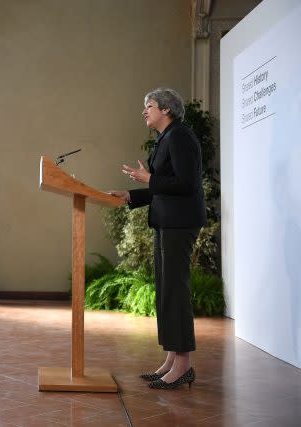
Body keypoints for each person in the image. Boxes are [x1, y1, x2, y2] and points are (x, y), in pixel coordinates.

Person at [108, 88, 206, 390]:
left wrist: (149, 179)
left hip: (180, 223)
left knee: (175, 291)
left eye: (148, 106)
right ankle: (171, 359)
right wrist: (131, 195)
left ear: (166, 109)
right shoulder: (165, 138)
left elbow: (187, 184)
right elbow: (163, 187)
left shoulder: (179, 136)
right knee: (166, 291)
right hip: (166, 222)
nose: (144, 111)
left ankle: (184, 364)